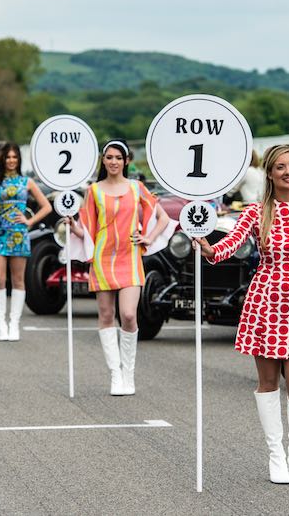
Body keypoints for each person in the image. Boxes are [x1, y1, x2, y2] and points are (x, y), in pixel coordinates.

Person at [194, 144, 289, 484]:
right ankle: (275, 455)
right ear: (269, 172)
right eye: (281, 167)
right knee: (268, 383)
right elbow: (231, 243)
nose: (288, 172)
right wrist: (209, 249)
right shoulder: (256, 212)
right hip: (265, 302)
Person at [68, 139, 173, 395]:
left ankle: (129, 373)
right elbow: (89, 230)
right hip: (103, 258)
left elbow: (163, 218)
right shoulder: (93, 191)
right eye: (109, 157)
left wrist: (148, 238)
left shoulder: (137, 188)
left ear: (126, 161)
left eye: (118, 157)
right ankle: (115, 374)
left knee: (127, 314)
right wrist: (73, 228)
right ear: (103, 161)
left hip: (130, 256)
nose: (113, 161)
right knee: (106, 316)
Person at [0, 143, 52, 341]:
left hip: (19, 234)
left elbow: (46, 206)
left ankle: (14, 323)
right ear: (2, 159)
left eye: (15, 157)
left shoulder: (27, 182)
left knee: (18, 280)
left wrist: (29, 221)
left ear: (19, 160)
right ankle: (1, 324)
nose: (11, 160)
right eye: (8, 157)